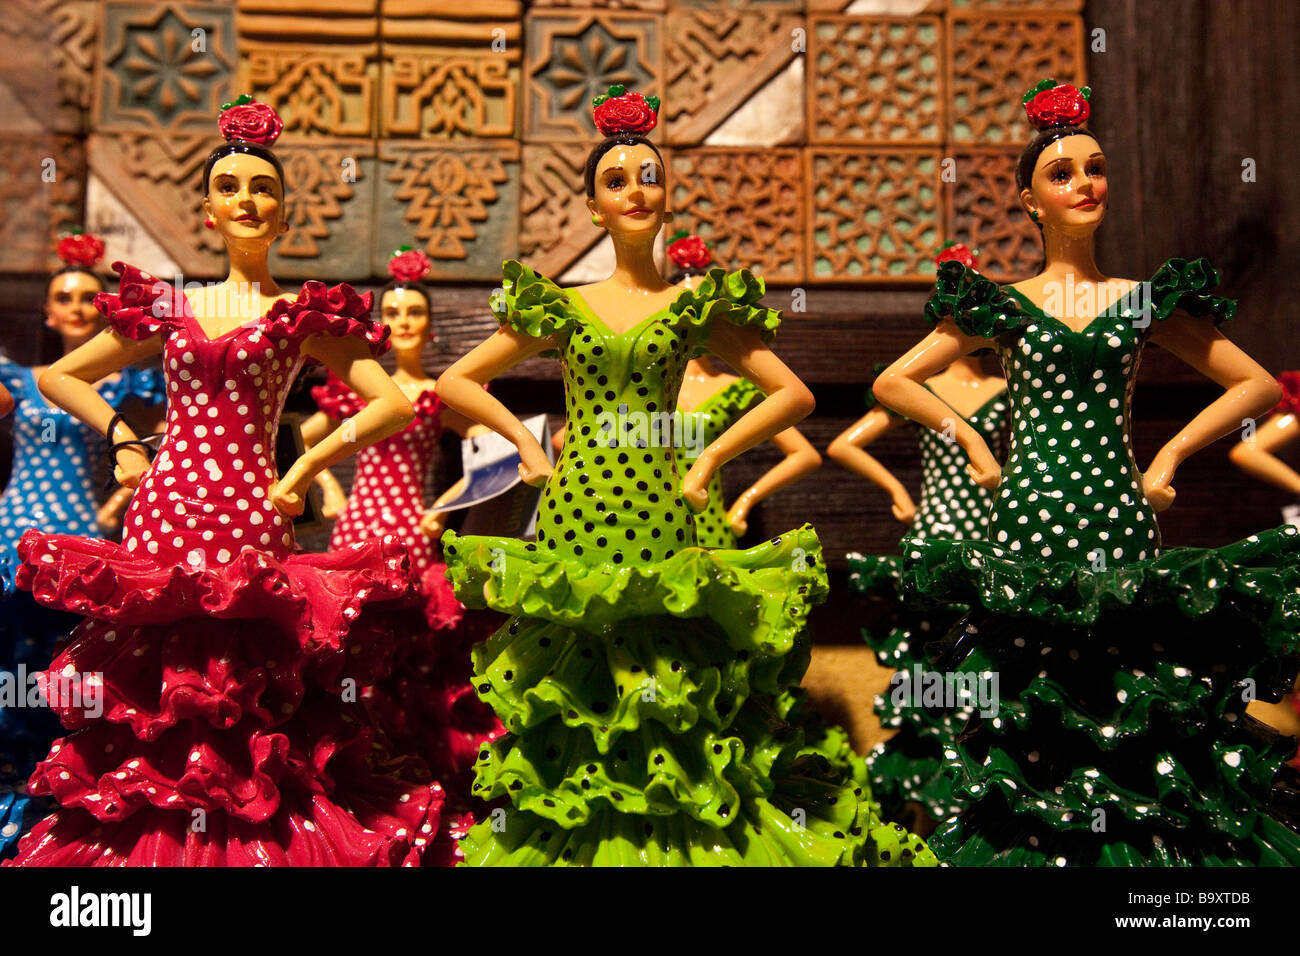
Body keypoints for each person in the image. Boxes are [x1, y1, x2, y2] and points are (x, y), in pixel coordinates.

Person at [435, 86, 934, 866]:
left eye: (650, 177)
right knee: (580, 693)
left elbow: (793, 395)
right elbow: (457, 383)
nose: (637, 191)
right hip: (577, 512)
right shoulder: (562, 308)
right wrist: (525, 450)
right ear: (593, 208)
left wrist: (708, 457)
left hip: (663, 512)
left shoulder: (694, 306)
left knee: (673, 690)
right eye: (617, 180)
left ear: (667, 198)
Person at [5, 97, 447, 866]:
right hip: (165, 513)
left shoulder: (298, 314)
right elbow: (61, 375)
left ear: (282, 214)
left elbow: (390, 403)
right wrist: (123, 440)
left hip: (252, 516)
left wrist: (306, 464)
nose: (246, 199)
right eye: (231, 187)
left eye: (262, 189)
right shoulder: (172, 307)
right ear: (208, 209)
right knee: (165, 697)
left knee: (249, 697)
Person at [871, 80, 1300, 865]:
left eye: (1095, 168)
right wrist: (969, 439)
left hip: (1117, 514)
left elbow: (1257, 384)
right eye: (1062, 174)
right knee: (1034, 709)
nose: (1084, 185)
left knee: (1127, 702)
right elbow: (893, 382)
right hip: (1028, 517)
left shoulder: (1139, 302)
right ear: (1030, 202)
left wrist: (1168, 453)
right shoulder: (1000, 305)